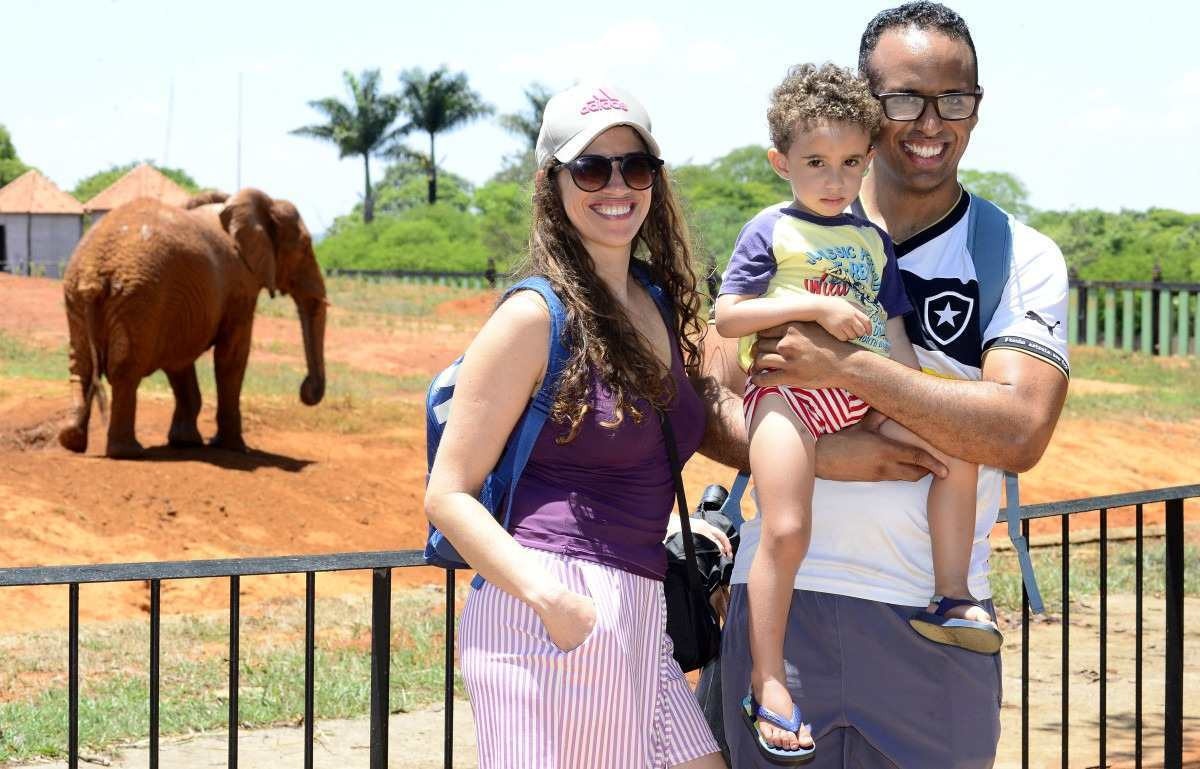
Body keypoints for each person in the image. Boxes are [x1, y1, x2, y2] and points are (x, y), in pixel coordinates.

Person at [716, 4, 1071, 767]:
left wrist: (847, 368)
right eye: (904, 99)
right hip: (784, 606)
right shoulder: (782, 233)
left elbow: (1017, 430)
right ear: (864, 109)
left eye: (955, 98)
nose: (929, 122)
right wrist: (822, 450)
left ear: (979, 106)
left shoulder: (1018, 255)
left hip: (931, 626)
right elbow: (709, 403)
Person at [424, 83, 727, 769]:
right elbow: (448, 493)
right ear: (551, 184)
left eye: (634, 165)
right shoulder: (534, 317)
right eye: (590, 168)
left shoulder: (656, 298)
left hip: (640, 604)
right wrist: (550, 598)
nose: (615, 184)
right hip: (554, 614)